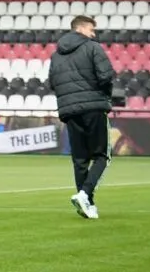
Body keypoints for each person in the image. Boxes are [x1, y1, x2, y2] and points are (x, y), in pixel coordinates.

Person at [49, 16, 115, 220]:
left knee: (80, 159)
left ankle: (88, 204)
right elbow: (106, 75)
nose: (94, 34)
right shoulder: (93, 47)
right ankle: (85, 194)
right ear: (83, 28)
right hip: (93, 106)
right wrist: (105, 96)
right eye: (92, 30)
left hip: (69, 110)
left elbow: (52, 83)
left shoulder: (56, 55)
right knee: (102, 156)